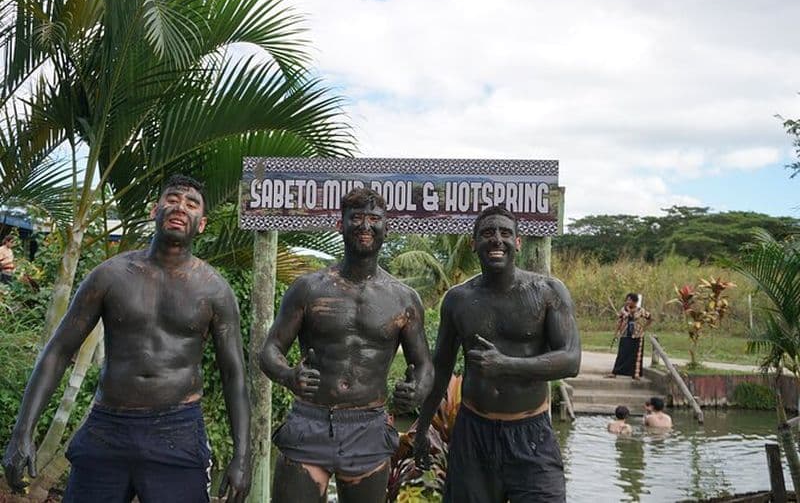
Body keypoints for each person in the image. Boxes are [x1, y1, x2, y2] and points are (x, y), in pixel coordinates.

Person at [2, 175, 251, 503]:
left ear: (201, 224)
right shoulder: (110, 276)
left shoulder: (215, 290)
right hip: (108, 427)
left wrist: (242, 457)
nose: (180, 207)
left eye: (192, 205)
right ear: (154, 210)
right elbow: (57, 352)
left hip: (176, 430)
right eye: (172, 199)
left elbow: (234, 375)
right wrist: (22, 431)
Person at [259, 187, 433, 503]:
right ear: (341, 225)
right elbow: (270, 351)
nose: (365, 226)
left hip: (368, 424)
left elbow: (423, 365)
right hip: (309, 419)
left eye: (374, 219)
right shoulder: (308, 289)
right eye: (356, 218)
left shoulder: (404, 299)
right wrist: (288, 377)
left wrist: (416, 390)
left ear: (386, 227)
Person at [414, 205, 581, 503]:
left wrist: (507, 365)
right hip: (473, 434)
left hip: (531, 434)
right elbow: (441, 368)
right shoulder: (457, 300)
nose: (497, 240)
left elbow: (571, 359)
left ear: (517, 242)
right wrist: (423, 427)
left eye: (505, 233)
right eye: (488, 233)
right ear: (474, 242)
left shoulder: (547, 292)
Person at [607, 293, 652, 380]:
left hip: (637, 335)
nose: (628, 302)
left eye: (630, 300)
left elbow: (650, 318)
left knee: (635, 355)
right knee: (622, 353)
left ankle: (635, 374)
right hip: (625, 334)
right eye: (627, 300)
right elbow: (619, 321)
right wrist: (616, 333)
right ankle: (615, 372)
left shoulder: (640, 310)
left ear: (635, 302)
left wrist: (643, 328)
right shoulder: (623, 310)